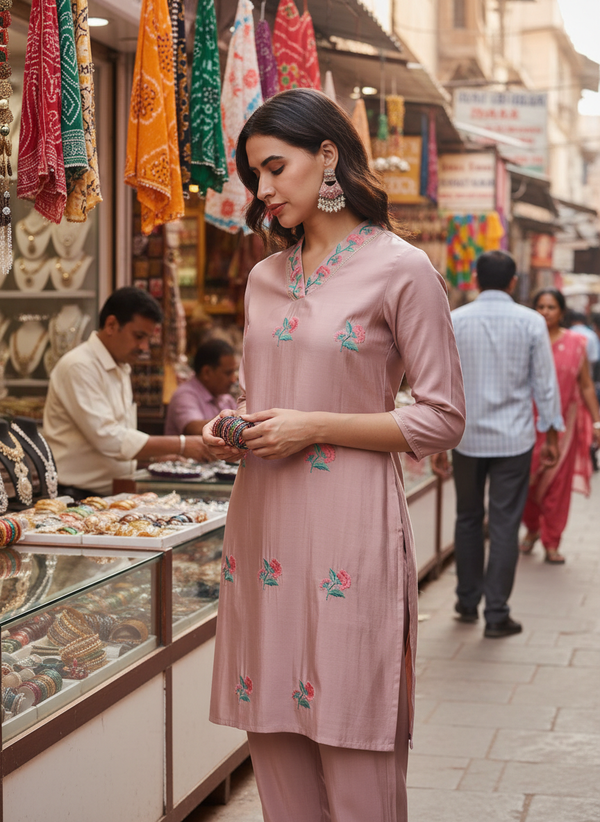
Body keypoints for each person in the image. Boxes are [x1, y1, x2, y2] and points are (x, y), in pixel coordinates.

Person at [201, 88, 466, 822]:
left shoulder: (401, 268)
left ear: (326, 156)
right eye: (254, 176)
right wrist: (234, 424)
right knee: (276, 750)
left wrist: (313, 426)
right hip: (263, 532)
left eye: (275, 168)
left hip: (351, 530)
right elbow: (271, 395)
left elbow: (443, 417)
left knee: (357, 753)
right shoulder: (262, 279)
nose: (263, 191)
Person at [432, 251, 562, 638]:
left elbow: (440, 384)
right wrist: (552, 434)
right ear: (512, 282)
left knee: (468, 518)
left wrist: (437, 442)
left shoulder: (455, 320)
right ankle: (497, 614)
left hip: (465, 437)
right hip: (514, 439)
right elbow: (545, 384)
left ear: (475, 280)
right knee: (505, 525)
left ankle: (467, 602)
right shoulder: (532, 322)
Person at [44, 287, 208, 498]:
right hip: (75, 496)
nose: (144, 346)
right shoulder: (79, 366)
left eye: (148, 339)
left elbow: (118, 440)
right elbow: (108, 438)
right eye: (139, 336)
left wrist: (156, 456)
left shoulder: (119, 366)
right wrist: (183, 444)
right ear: (111, 324)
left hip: (112, 492)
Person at [521, 288, 600, 563]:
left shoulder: (577, 343)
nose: (545, 312)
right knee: (527, 485)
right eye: (540, 306)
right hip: (527, 426)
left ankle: (552, 541)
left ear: (562, 312)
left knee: (557, 487)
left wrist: (598, 421)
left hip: (564, 428)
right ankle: (531, 529)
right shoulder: (526, 339)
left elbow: (587, 385)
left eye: (551, 307)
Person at [164, 339, 237, 438]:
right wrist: (235, 426)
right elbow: (193, 428)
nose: (233, 379)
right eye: (228, 373)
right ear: (206, 372)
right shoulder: (184, 395)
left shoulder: (225, 398)